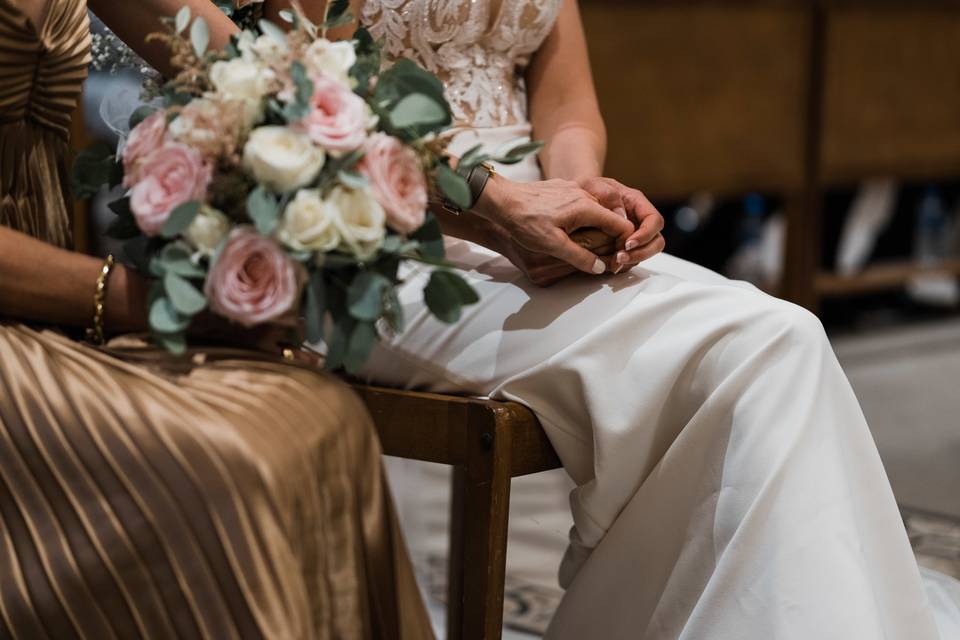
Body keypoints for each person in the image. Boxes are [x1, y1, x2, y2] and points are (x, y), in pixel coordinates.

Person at [279, 0, 960, 637]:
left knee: (784, 335)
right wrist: (499, 206)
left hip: (533, 216)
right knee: (761, 346)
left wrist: (582, 191)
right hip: (379, 237)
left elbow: (568, 104)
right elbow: (311, 90)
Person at [0, 1, 433, 637]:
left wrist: (478, 198)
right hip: (47, 299)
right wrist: (147, 302)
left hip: (47, 294)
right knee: (234, 458)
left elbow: (260, 71)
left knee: (321, 413)